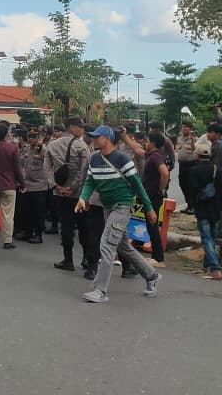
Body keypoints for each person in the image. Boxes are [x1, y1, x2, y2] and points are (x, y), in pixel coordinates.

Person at [76, 125, 161, 304]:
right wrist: (83, 198)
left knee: (106, 244)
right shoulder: (94, 159)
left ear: (106, 138)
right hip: (108, 207)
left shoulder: (122, 159)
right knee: (123, 247)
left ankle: (100, 290)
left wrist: (149, 207)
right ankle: (151, 275)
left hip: (122, 206)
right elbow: (90, 181)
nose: (93, 139)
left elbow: (137, 185)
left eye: (96, 136)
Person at [46, 117, 92, 271]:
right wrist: (72, 188)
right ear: (71, 127)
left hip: (60, 195)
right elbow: (83, 171)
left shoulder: (52, 145)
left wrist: (56, 186)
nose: (82, 130)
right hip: (79, 195)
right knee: (83, 227)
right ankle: (86, 258)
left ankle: (68, 260)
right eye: (80, 126)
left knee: (66, 228)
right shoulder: (82, 146)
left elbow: (47, 169)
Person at [186, 141, 222, 280]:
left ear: (197, 155)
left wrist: (192, 203)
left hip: (201, 207)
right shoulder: (217, 169)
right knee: (212, 237)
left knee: (206, 238)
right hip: (215, 207)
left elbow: (190, 191)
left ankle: (215, 269)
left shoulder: (193, 171)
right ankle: (206, 265)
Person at [15, 129, 51, 244]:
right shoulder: (26, 149)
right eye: (29, 136)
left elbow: (49, 164)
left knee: (38, 212)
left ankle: (38, 234)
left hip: (39, 185)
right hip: (27, 185)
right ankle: (28, 231)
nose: (31, 139)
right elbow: (21, 164)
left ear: (38, 137)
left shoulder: (43, 149)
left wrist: (42, 154)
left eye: (33, 136)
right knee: (26, 211)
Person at [141, 131, 171, 264]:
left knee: (152, 225)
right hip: (151, 194)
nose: (145, 143)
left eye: (147, 141)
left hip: (153, 195)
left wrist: (161, 189)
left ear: (152, 142)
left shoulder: (155, 157)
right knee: (150, 225)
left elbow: (165, 173)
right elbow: (137, 149)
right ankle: (156, 256)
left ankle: (158, 258)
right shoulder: (152, 155)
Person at [175, 121, 198, 213]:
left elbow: (194, 149)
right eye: (183, 126)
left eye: (186, 127)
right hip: (182, 165)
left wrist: (192, 139)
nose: (184, 128)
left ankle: (193, 206)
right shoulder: (179, 139)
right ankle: (188, 204)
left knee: (191, 186)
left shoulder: (195, 139)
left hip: (192, 164)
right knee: (183, 184)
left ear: (190, 128)